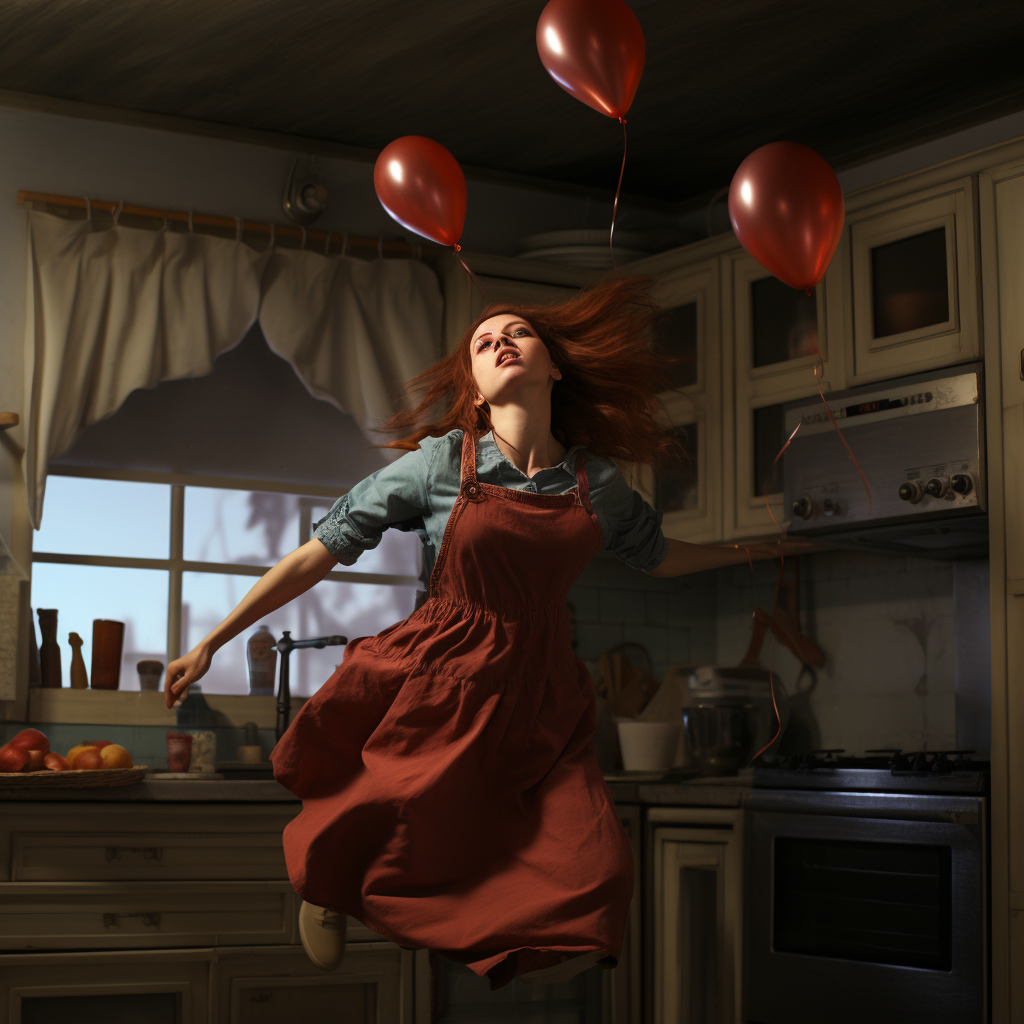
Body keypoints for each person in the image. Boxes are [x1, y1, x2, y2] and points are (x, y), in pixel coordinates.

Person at [164, 276, 790, 989]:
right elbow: (318, 552)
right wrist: (211, 640)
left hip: (543, 690)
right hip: (445, 674)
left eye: (517, 332)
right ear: (477, 386)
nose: (499, 341)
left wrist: (764, 551)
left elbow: (660, 555)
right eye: (484, 342)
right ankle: (330, 887)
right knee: (397, 823)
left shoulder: (599, 484)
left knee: (599, 866)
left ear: (553, 365)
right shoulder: (440, 464)